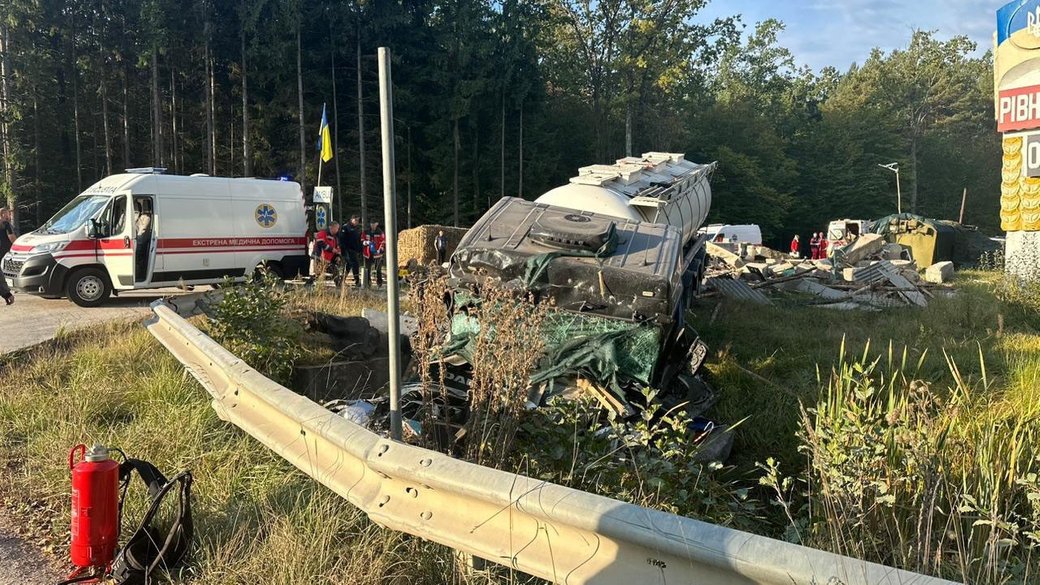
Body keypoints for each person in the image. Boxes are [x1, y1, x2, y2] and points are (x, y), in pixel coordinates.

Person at [338, 215, 363, 287]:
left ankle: (342, 280)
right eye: (355, 220)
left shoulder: (357, 228)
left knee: (348, 265)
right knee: (354, 264)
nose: (357, 222)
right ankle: (357, 281)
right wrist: (343, 249)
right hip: (347, 249)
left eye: (358, 220)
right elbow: (342, 239)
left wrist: (359, 249)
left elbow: (358, 240)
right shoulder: (346, 227)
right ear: (351, 219)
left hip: (354, 249)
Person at [362, 220, 386, 287]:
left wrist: (380, 249)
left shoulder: (380, 232)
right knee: (367, 269)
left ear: (377, 224)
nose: (372, 225)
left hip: (377, 254)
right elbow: (362, 240)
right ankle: (368, 283)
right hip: (367, 253)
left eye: (374, 223)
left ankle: (379, 283)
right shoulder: (366, 232)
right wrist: (366, 242)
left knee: (378, 269)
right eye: (371, 223)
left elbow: (383, 242)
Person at [0, 208, 14, 305]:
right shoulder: (6, 225)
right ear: (3, 214)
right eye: (8, 214)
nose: (9, 216)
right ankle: (7, 295)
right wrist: (18, 247)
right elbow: (11, 237)